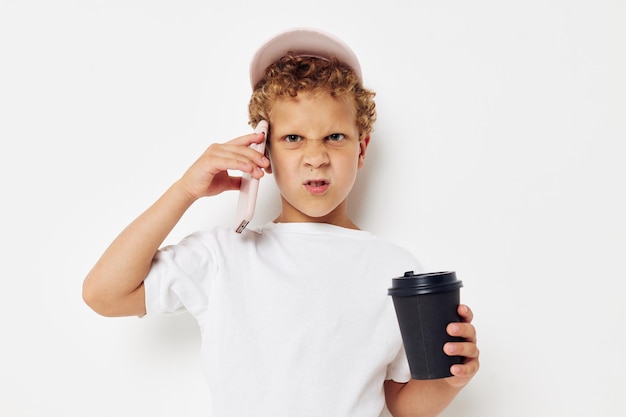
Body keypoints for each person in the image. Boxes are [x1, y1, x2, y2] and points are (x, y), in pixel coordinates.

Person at [83, 28, 479, 417]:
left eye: (335, 136)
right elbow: (105, 294)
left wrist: (448, 380)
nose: (315, 157)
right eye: (293, 139)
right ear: (263, 150)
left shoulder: (395, 269)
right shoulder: (223, 256)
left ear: (362, 147)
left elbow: (402, 404)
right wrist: (185, 189)